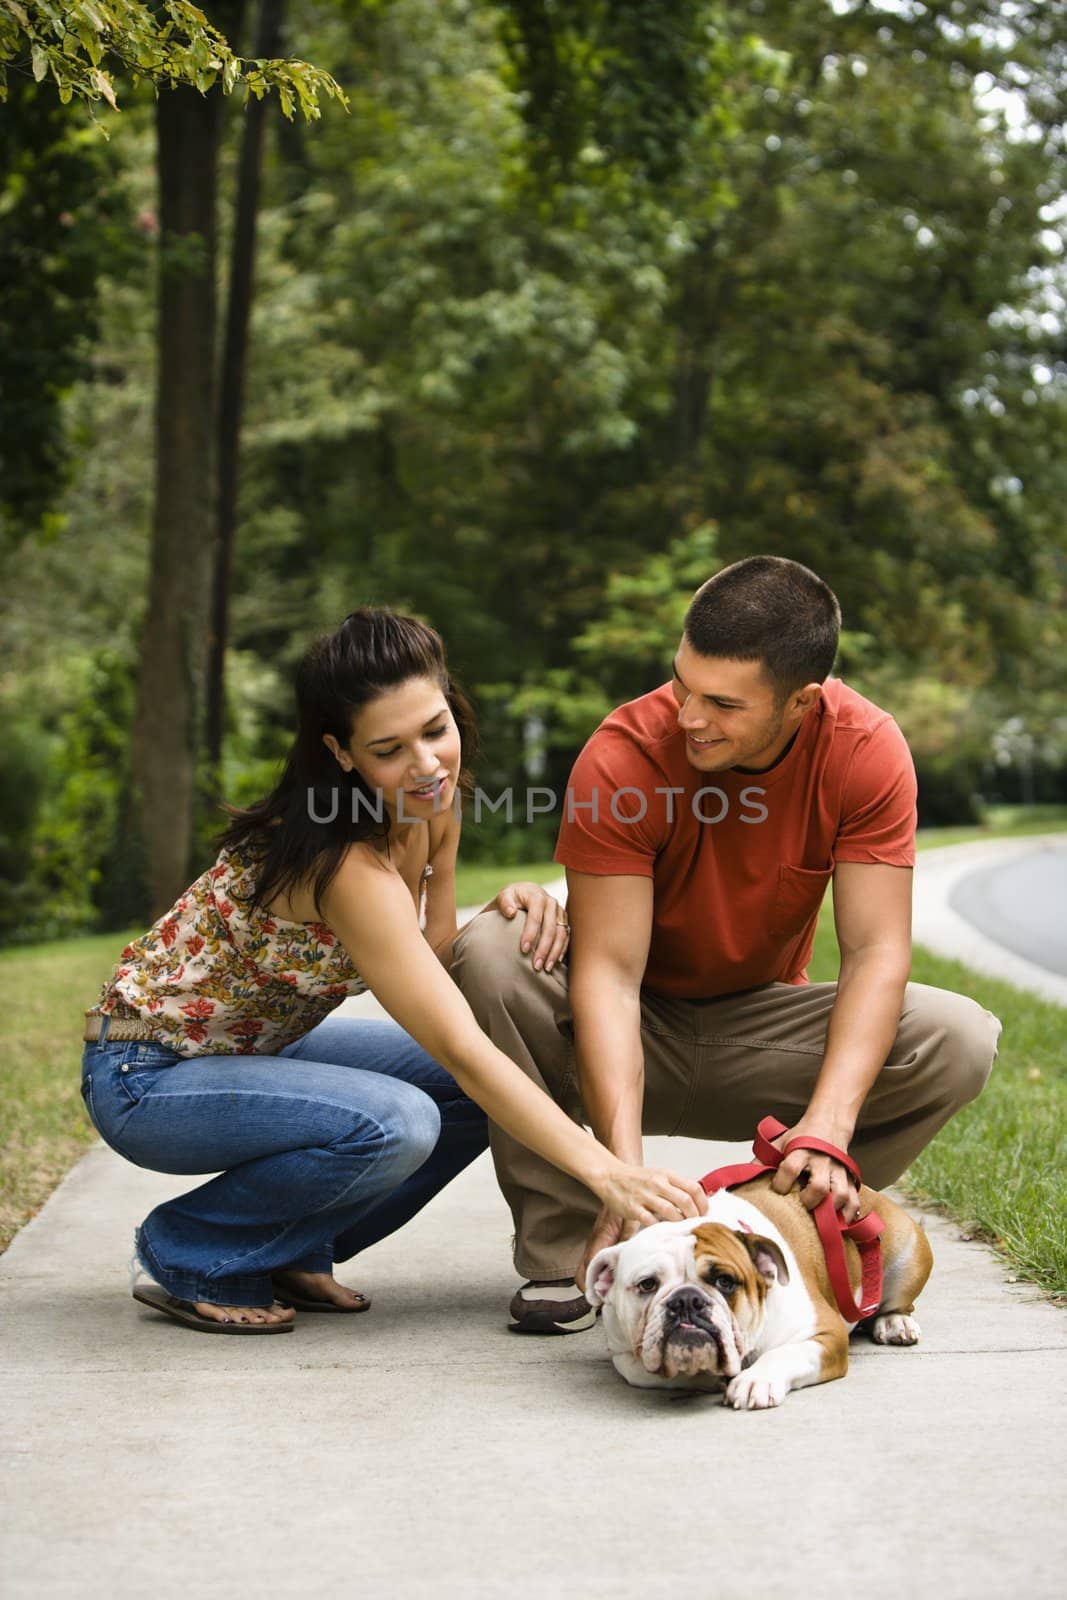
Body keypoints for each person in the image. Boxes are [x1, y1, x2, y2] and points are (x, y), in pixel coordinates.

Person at [82, 609, 706, 1334]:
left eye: (435, 729)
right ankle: (189, 1249)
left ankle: (290, 1249)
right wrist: (609, 1172)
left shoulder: (429, 806)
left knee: (465, 1101)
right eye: (388, 748)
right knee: (398, 1120)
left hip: (248, 1051)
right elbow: (460, 1048)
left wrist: (510, 910)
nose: (426, 763)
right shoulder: (340, 861)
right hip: (141, 1069)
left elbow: (436, 971)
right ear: (341, 753)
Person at [454, 556, 1002, 1334]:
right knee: (492, 949)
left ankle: (792, 1223)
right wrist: (624, 1178)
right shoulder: (625, 754)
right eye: (682, 684)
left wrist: (828, 1126)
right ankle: (566, 1249)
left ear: (800, 703)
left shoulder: (863, 749)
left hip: (758, 1034)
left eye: (722, 703)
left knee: (957, 1037)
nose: (688, 716)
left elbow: (876, 953)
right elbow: (607, 976)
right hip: (629, 1021)